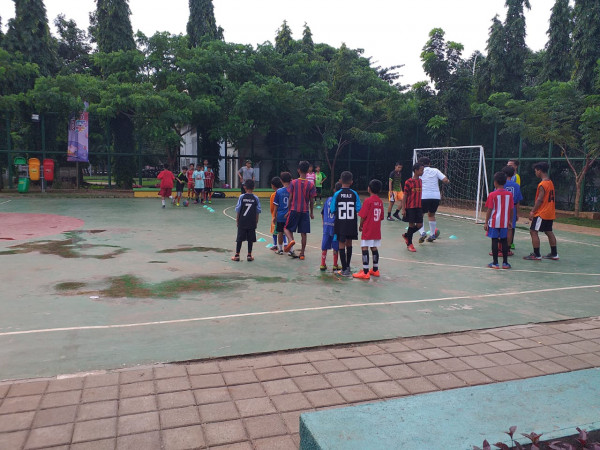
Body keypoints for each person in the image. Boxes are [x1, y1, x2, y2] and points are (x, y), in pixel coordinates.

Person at [524, 162, 558, 261]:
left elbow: (540, 199)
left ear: (539, 170)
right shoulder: (550, 182)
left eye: (536, 171)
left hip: (542, 213)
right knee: (549, 231)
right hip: (550, 212)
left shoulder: (542, 184)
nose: (535, 173)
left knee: (533, 231)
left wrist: (532, 211)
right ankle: (554, 253)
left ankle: (536, 254)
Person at [330, 171, 361, 277]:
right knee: (349, 243)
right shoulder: (354, 194)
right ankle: (348, 266)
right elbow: (358, 208)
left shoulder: (337, 194)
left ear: (340, 181)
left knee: (341, 244)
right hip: (351, 223)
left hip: (340, 223)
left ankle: (344, 269)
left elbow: (332, 209)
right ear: (351, 182)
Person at [284, 161, 317, 260]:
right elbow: (311, 200)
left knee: (286, 228)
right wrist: (311, 213)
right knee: (304, 233)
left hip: (294, 209)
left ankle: (291, 240)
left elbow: (290, 198)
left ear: (298, 170)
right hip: (305, 211)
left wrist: (289, 210)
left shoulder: (293, 182)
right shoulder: (311, 185)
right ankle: (302, 253)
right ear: (308, 171)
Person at [354, 179, 384, 280]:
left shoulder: (368, 201)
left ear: (369, 189)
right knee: (374, 247)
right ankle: (375, 270)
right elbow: (381, 217)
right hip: (376, 229)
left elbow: (363, 216)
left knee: (364, 247)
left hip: (368, 228)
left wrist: (361, 225)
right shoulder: (380, 201)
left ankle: (365, 271)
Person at [484, 172, 514, 269]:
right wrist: (510, 221)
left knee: (494, 240)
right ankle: (505, 263)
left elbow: (489, 209)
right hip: (504, 222)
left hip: (494, 221)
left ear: (495, 182)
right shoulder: (509, 195)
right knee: (504, 241)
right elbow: (511, 209)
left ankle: (495, 263)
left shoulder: (492, 195)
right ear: (505, 182)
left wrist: (486, 222)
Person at [417, 157, 450, 243]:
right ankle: (432, 234)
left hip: (424, 196)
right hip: (435, 196)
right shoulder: (435, 170)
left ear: (421, 164)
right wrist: (447, 181)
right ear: (430, 163)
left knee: (420, 214)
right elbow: (445, 180)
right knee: (431, 215)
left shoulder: (420, 172)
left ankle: (422, 233)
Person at [232, 179, 261, 262]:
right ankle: (249, 255)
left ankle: (237, 255)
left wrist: (237, 219)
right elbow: (257, 211)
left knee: (239, 238)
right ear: (254, 188)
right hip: (252, 221)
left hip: (242, 221)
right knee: (250, 239)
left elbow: (238, 209)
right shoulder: (256, 198)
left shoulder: (242, 197)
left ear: (244, 187)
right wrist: (256, 221)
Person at [402, 163, 425, 252]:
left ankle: (407, 235)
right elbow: (404, 196)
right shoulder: (408, 182)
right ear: (415, 170)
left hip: (419, 206)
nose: (422, 172)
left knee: (420, 225)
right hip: (410, 207)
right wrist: (403, 209)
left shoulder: (420, 181)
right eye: (421, 170)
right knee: (411, 225)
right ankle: (409, 244)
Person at [501, 165, 523, 254]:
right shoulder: (516, 186)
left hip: (502, 208)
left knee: (500, 227)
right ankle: (508, 249)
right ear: (513, 174)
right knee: (510, 228)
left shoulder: (501, 183)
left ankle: (499, 247)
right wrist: (517, 213)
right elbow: (517, 201)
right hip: (512, 208)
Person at [320, 182, 342, 271]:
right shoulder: (339, 201)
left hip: (326, 226)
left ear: (334, 190)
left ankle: (322, 264)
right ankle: (335, 265)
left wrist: (323, 222)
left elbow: (322, 213)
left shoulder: (328, 199)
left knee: (324, 245)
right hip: (335, 227)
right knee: (336, 246)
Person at [273, 172, 291, 255]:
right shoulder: (292, 190)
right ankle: (291, 250)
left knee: (280, 232)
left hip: (280, 215)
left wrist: (274, 216)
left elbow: (276, 205)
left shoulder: (279, 191)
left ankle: (280, 249)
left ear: (281, 180)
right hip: (289, 215)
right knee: (290, 232)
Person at [269, 177, 283, 252]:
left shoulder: (273, 195)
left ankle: (275, 245)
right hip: (283, 214)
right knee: (283, 231)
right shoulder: (283, 192)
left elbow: (272, 206)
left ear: (273, 185)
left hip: (276, 215)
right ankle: (286, 244)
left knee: (274, 231)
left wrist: (273, 215)